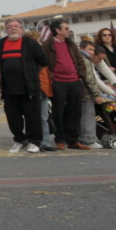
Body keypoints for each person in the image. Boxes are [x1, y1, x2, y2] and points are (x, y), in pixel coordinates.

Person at [0, 18, 48, 154]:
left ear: (21, 29)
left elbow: (43, 60)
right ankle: (20, 140)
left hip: (29, 88)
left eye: (16, 26)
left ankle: (34, 142)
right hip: (9, 89)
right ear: (6, 29)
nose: (13, 28)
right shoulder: (1, 43)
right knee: (12, 118)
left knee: (32, 117)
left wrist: (31, 72)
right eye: (10, 26)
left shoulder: (30, 43)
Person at [42, 19, 90, 150]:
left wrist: (81, 76)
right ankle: (60, 140)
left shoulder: (71, 44)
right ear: (58, 30)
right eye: (66, 28)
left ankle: (73, 140)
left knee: (75, 111)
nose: (69, 30)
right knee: (58, 112)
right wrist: (52, 78)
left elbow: (80, 61)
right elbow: (43, 63)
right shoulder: (47, 45)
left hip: (75, 82)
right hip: (58, 82)